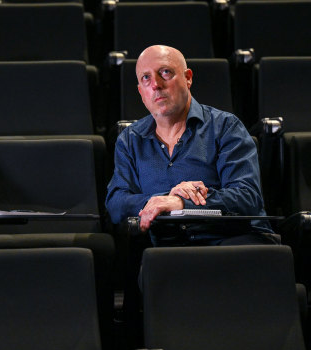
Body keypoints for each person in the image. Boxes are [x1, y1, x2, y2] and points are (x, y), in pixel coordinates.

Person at [105, 45, 278, 245]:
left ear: (188, 78)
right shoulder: (130, 139)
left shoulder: (226, 127)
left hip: (230, 240)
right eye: (146, 78)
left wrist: (182, 202)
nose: (156, 85)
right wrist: (164, 199)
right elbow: (116, 203)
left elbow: (247, 197)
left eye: (165, 72)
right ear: (140, 92)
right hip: (168, 246)